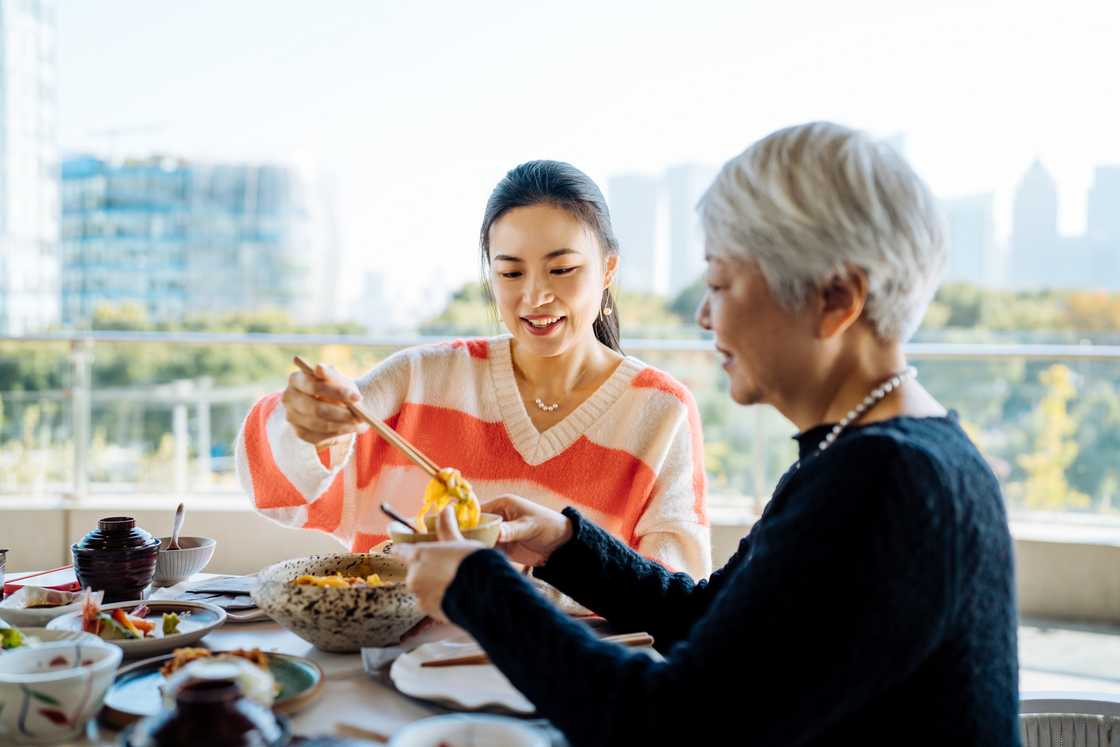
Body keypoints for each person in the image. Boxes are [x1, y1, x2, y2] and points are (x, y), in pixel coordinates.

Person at [394, 122, 1020, 746]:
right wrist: (563, 544)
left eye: (720, 284)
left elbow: (671, 724)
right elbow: (705, 617)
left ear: (836, 299)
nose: (702, 314)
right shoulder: (877, 452)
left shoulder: (885, 484)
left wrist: (480, 589)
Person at [236, 160, 711, 578]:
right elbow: (282, 492)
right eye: (510, 273)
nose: (534, 296)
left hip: (565, 674)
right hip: (401, 668)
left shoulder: (660, 409)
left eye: (561, 270)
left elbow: (673, 593)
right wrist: (309, 426)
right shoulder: (422, 379)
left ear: (608, 269)